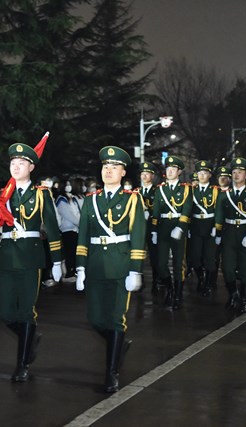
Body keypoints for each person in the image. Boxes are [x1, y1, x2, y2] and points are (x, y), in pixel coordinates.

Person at [0, 143, 63, 382]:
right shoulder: (5, 193)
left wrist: (57, 260)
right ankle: (30, 338)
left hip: (30, 256)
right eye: (13, 163)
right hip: (7, 255)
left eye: (21, 163)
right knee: (5, 314)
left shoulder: (41, 193)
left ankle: (22, 364)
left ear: (31, 167)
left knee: (25, 312)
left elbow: (52, 227)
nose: (16, 167)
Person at [74, 146, 146, 393]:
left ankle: (111, 373)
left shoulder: (131, 199)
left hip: (120, 264)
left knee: (115, 319)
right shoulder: (90, 200)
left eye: (114, 167)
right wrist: (80, 268)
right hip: (95, 264)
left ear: (123, 172)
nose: (108, 171)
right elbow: (83, 235)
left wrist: (135, 269)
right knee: (95, 318)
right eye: (106, 166)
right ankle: (119, 345)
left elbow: (138, 235)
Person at [214, 158, 246, 313]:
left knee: (245, 269)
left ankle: (244, 300)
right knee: (227, 268)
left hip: (245, 233)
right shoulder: (224, 195)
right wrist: (218, 233)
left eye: (240, 172)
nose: (236, 175)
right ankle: (233, 294)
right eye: (234, 172)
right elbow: (219, 216)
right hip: (229, 234)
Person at [151, 156, 192, 310]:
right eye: (168, 168)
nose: (169, 171)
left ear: (179, 172)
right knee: (161, 264)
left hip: (178, 229)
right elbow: (156, 211)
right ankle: (170, 288)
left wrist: (180, 227)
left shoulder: (186, 189)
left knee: (178, 264)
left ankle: (178, 295)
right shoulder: (160, 189)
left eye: (173, 169)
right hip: (163, 229)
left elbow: (186, 209)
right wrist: (154, 231)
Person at [188, 161, 219, 297]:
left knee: (210, 258)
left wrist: (216, 226)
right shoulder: (191, 190)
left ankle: (207, 283)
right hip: (195, 226)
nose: (201, 176)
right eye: (199, 173)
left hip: (210, 226)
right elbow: (188, 209)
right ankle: (201, 278)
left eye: (205, 173)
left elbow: (219, 210)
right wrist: (188, 227)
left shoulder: (215, 191)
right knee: (195, 257)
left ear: (210, 175)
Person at [136, 162, 159, 293]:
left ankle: (156, 280)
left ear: (152, 176)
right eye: (142, 174)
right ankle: (140, 280)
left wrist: (149, 214)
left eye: (147, 174)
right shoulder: (136, 192)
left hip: (152, 227)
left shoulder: (157, 191)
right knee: (138, 254)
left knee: (154, 255)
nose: (144, 176)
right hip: (139, 229)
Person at [55, 177, 84, 282]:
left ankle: (73, 271)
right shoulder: (61, 199)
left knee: (75, 252)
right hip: (67, 230)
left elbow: (77, 212)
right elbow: (68, 214)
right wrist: (80, 223)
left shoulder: (72, 198)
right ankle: (68, 274)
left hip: (75, 229)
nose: (69, 186)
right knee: (69, 253)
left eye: (70, 184)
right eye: (67, 185)